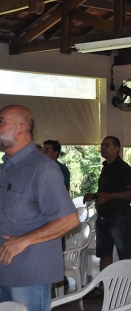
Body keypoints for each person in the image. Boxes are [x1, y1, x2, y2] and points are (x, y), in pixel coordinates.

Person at [0, 105, 79, 311]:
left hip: (28, 272)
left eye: (1, 122)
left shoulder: (42, 168)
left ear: (20, 128)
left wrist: (23, 240)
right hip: (4, 269)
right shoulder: (5, 167)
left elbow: (69, 219)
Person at [83, 136, 131, 285]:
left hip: (118, 218)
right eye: (102, 145)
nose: (103, 147)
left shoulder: (124, 169)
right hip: (103, 218)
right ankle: (104, 286)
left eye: (107, 145)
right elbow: (107, 192)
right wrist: (94, 196)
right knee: (104, 254)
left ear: (116, 148)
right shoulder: (106, 167)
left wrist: (110, 196)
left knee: (126, 255)